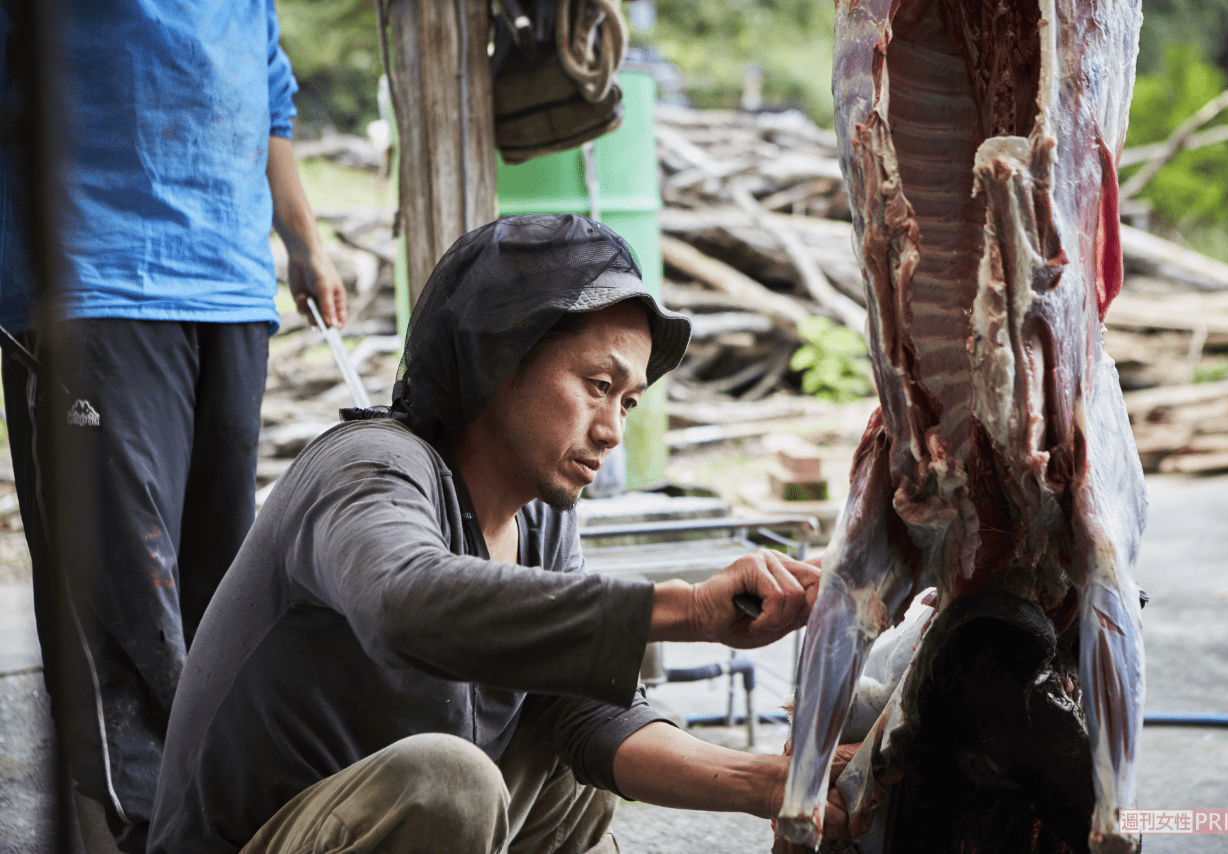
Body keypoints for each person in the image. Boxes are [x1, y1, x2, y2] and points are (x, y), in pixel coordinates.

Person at [148, 214, 854, 854]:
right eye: (597, 385)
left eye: (629, 401)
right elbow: (404, 603)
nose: (612, 430)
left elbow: (588, 716)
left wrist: (771, 783)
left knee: (575, 772)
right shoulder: (365, 468)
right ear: (499, 358)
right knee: (453, 782)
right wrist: (691, 610)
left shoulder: (542, 521)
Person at [0, 2, 346, 850]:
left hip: (228, 285)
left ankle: (215, 812)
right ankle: (136, 827)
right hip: (93, 280)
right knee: (116, 594)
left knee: (222, 584)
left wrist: (302, 240)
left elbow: (266, 94)